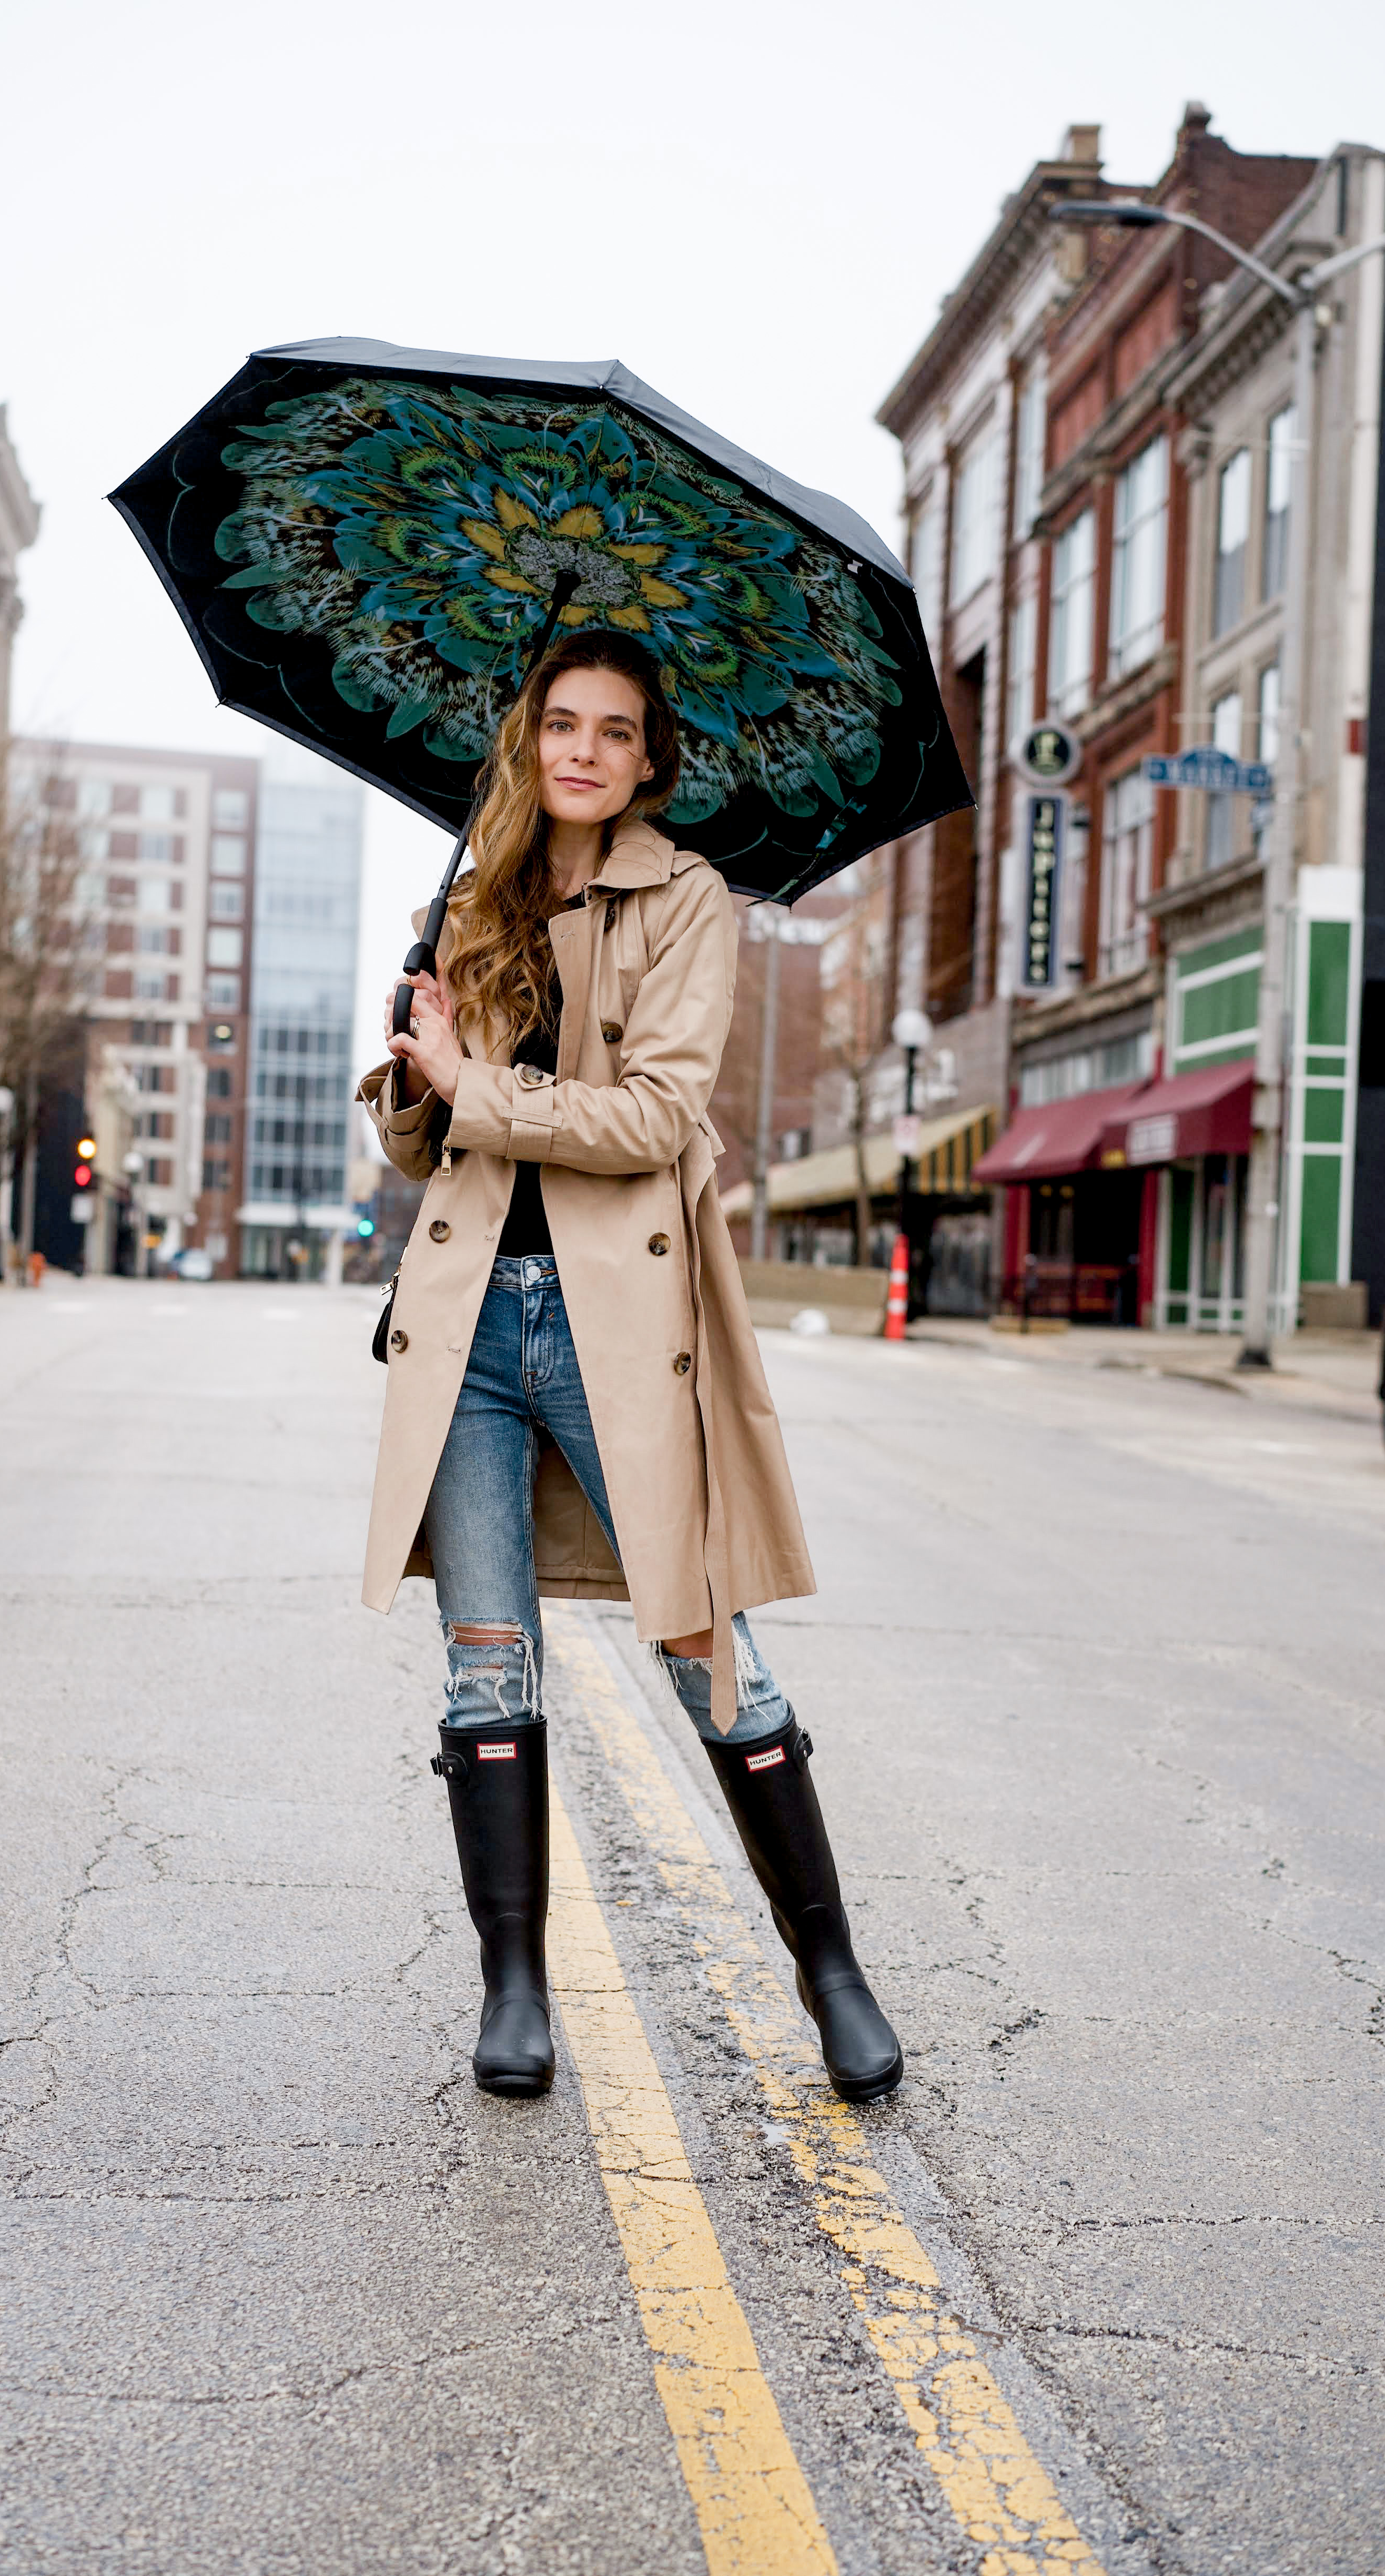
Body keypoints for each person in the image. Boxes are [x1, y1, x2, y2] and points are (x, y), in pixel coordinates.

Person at [357, 631, 900, 2108]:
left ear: (650, 757)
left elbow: (655, 1118)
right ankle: (513, 1987)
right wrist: (415, 1066)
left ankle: (829, 1970)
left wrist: (482, 1084)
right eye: (558, 723)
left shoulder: (686, 902)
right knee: (485, 1663)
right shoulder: (469, 899)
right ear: (528, 740)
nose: (582, 749)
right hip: (469, 1320)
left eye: (613, 730)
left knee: (708, 1650)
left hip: (613, 1324)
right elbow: (424, 1148)